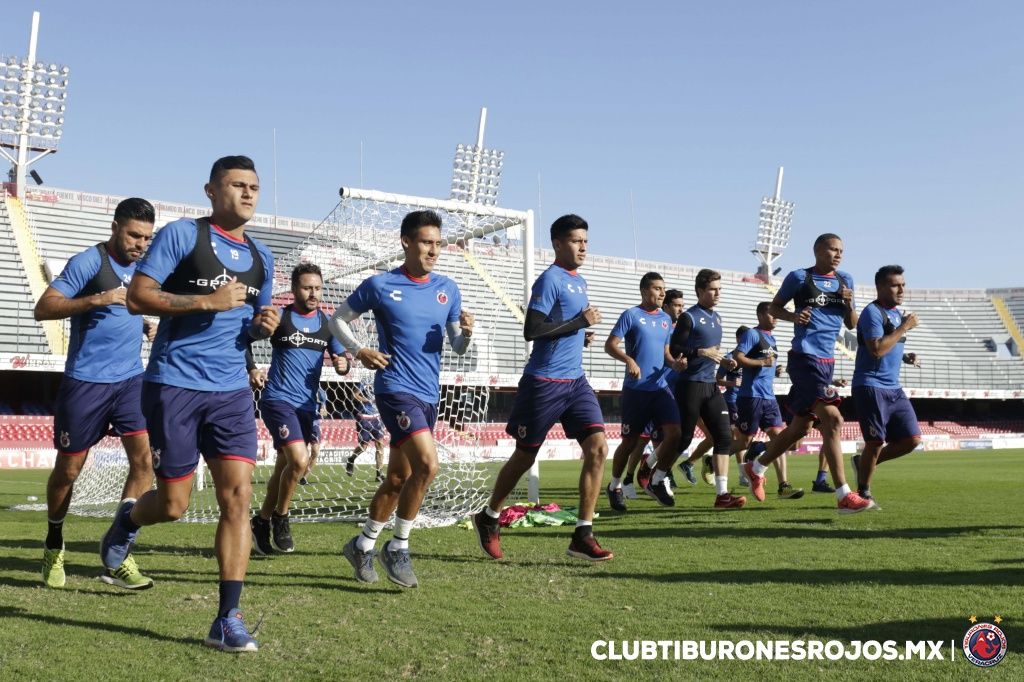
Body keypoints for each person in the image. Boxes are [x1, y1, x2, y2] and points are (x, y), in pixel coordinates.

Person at [100, 155, 278, 652]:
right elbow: (138, 297)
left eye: (254, 187)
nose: (247, 194)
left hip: (231, 393)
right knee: (174, 505)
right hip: (174, 385)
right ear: (210, 190)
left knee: (237, 498)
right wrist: (205, 301)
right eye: (237, 185)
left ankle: (227, 618)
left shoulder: (262, 257)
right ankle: (129, 519)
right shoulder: (183, 236)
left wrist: (264, 326)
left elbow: (255, 319)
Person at [331, 209, 474, 588]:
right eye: (426, 242)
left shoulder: (449, 288)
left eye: (438, 243)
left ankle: (362, 545)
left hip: (429, 393)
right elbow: (338, 319)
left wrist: (467, 336)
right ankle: (398, 548)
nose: (434, 250)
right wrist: (359, 350)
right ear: (406, 242)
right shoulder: (380, 285)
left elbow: (457, 345)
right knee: (428, 466)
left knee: (398, 478)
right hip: (394, 388)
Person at [472, 214, 612, 561]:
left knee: (597, 448)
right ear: (558, 243)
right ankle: (489, 517)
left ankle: (583, 533)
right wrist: (579, 322)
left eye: (586, 241)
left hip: (575, 381)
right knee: (525, 454)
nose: (583, 247)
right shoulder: (550, 279)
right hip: (544, 382)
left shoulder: (579, 282)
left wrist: (581, 335)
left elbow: (561, 327)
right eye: (577, 241)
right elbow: (532, 330)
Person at [34, 198, 157, 590]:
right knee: (68, 472)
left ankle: (119, 547)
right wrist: (96, 299)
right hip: (85, 384)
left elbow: (130, 308)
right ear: (116, 226)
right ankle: (54, 541)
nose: (140, 244)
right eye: (134, 235)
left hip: (130, 383)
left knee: (144, 464)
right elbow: (44, 307)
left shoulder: (144, 269)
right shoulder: (89, 262)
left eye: (147, 238)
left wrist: (145, 325)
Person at [744, 233, 876, 513]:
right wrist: (794, 317)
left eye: (841, 250)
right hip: (804, 356)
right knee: (833, 417)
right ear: (817, 250)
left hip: (827, 361)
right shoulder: (799, 277)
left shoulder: (845, 280)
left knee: (800, 428)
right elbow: (774, 307)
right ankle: (843, 494)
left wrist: (849, 302)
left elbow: (851, 324)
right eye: (832, 249)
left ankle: (756, 467)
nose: (838, 254)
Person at [250, 263, 349, 555]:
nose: (313, 293)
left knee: (285, 467)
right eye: (307, 288)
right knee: (299, 460)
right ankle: (281, 517)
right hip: (278, 400)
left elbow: (341, 359)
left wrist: (343, 365)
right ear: (294, 290)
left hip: (307, 407)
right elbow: (246, 337)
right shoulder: (280, 317)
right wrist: (252, 368)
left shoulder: (328, 324)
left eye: (317, 288)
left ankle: (261, 521)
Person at [651, 269, 745, 510]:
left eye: (719, 289)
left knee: (724, 437)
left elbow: (712, 352)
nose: (717, 293)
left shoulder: (718, 318)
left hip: (710, 385)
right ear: (700, 291)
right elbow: (676, 347)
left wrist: (724, 360)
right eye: (713, 289)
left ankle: (722, 495)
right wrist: (700, 352)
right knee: (683, 440)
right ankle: (657, 478)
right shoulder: (689, 318)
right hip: (689, 385)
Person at [603, 272, 682, 512]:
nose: (662, 293)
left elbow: (666, 353)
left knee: (675, 434)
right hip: (636, 391)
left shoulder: (666, 320)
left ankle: (657, 480)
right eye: (657, 288)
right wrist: (629, 360)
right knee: (629, 444)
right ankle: (615, 486)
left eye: (663, 289)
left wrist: (675, 364)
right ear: (644, 291)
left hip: (660, 388)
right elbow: (610, 345)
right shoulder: (631, 315)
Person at [850, 265, 922, 504]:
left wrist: (905, 356)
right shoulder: (873, 312)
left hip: (893, 387)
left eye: (903, 284)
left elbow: (889, 347)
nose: (901, 289)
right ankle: (863, 493)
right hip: (871, 385)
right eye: (895, 285)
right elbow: (877, 349)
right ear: (880, 287)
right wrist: (905, 327)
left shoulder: (895, 313)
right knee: (875, 441)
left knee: (911, 440)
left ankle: (863, 463)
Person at [731, 303, 803, 499]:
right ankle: (714, 459)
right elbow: (738, 357)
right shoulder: (752, 335)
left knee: (781, 440)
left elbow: (765, 366)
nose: (776, 318)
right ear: (761, 314)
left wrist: (775, 370)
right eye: (772, 314)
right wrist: (763, 362)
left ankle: (783, 486)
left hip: (769, 398)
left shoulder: (772, 339)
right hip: (751, 396)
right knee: (744, 441)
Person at [345, 378, 387, 482]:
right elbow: (354, 395)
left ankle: (379, 473)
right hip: (364, 417)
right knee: (363, 447)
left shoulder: (383, 380)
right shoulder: (365, 381)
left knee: (380, 445)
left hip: (377, 417)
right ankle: (351, 460)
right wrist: (368, 400)